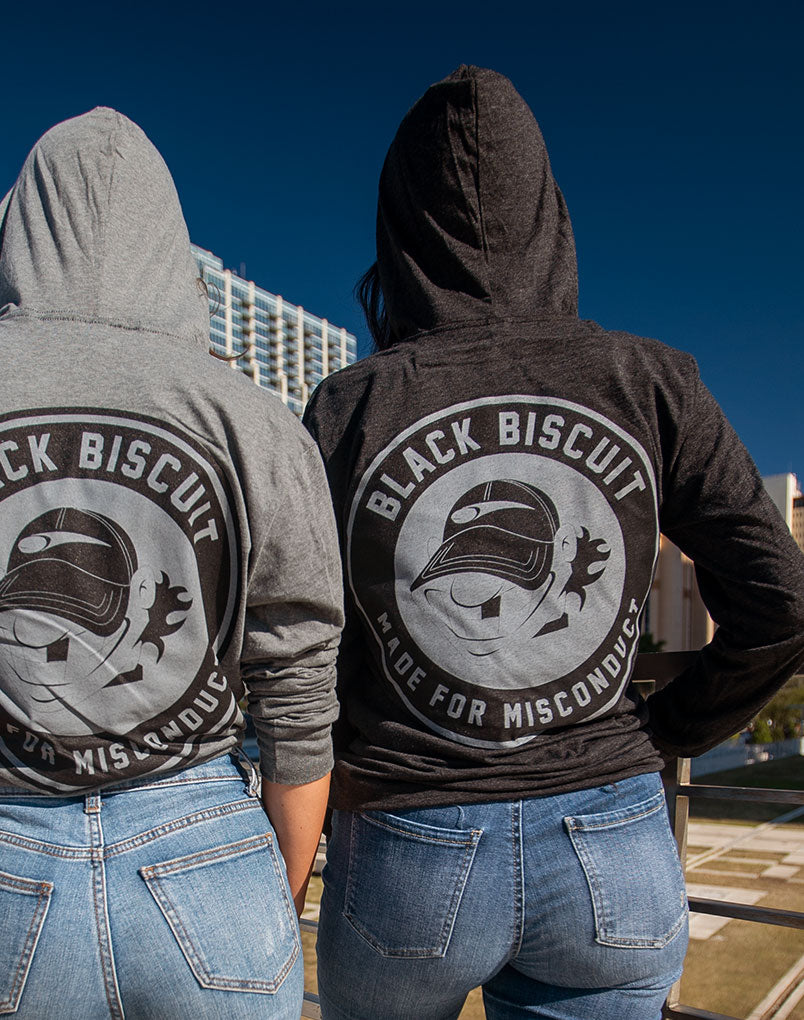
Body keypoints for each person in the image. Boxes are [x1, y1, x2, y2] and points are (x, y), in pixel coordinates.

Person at [0, 107, 342, 1019]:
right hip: (213, 849)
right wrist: (267, 890)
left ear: (12, 236)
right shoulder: (257, 419)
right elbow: (299, 695)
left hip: (14, 857)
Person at [303, 66, 804, 1020]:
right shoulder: (650, 381)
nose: (475, 604)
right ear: (551, 216)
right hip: (610, 837)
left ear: (398, 228)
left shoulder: (346, 409)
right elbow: (782, 600)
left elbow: (292, 640)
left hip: (409, 843)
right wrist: (663, 731)